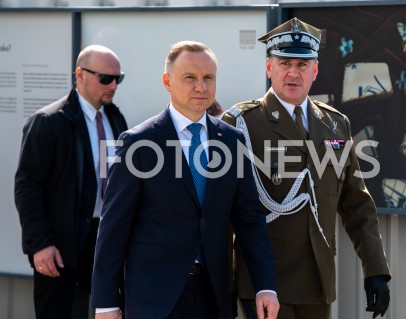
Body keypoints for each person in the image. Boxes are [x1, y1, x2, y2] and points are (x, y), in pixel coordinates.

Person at [91, 40, 279, 319]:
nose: (201, 87)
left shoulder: (232, 141)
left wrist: (266, 286)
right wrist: (106, 303)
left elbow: (250, 219)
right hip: (153, 299)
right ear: (167, 81)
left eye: (208, 78)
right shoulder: (138, 144)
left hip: (212, 295)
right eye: (190, 78)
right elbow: (113, 229)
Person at [222, 18, 391, 319]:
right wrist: (226, 284)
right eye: (284, 62)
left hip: (317, 279)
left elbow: (357, 205)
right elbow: (223, 213)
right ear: (269, 67)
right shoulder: (242, 124)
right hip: (263, 283)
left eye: (302, 64)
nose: (293, 72)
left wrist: (375, 269)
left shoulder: (335, 124)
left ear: (315, 71)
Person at [14, 44, 128, 319]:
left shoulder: (116, 119)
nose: (113, 85)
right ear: (80, 74)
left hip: (106, 239)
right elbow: (27, 186)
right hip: (60, 245)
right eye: (105, 78)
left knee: (116, 311)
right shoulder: (48, 122)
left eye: (118, 78)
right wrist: (39, 244)